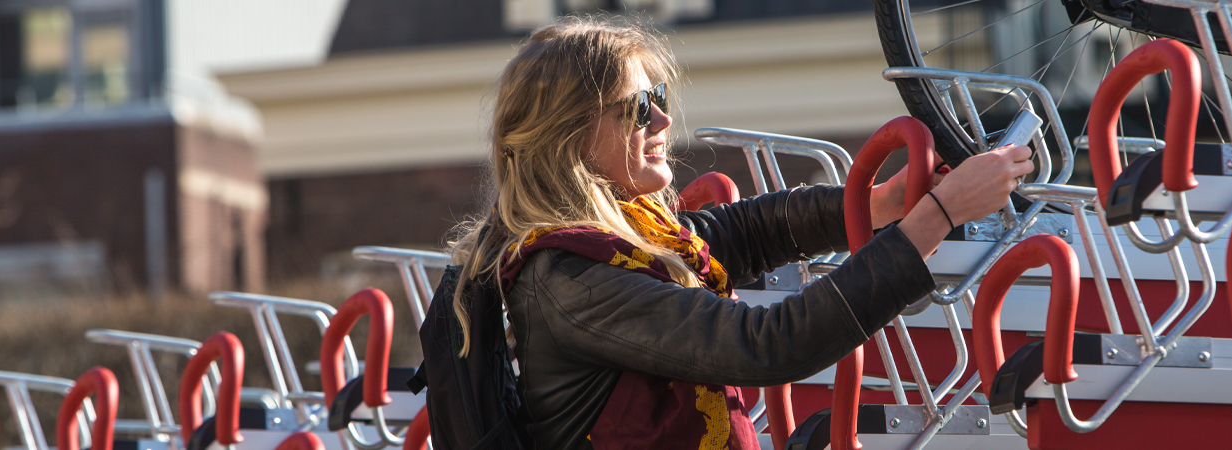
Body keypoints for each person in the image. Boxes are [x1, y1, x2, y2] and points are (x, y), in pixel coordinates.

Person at [437, 15, 1033, 450]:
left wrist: (881, 203)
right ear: (571, 137)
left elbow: (741, 231)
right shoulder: (574, 278)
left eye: (659, 97)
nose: (664, 118)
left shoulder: (623, 244)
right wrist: (937, 218)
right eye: (639, 106)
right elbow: (766, 344)